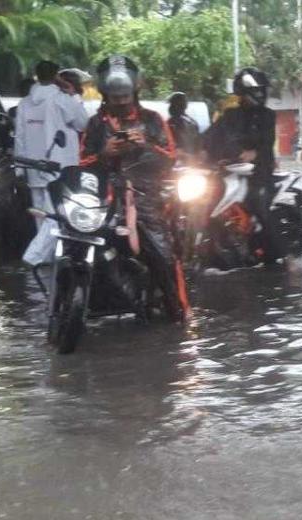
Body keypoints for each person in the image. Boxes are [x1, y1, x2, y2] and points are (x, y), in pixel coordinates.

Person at [79, 54, 187, 321]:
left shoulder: (153, 120)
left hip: (144, 198)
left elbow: (169, 159)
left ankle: (179, 313)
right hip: (103, 199)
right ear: (105, 94)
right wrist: (104, 153)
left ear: (135, 91)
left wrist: (144, 146)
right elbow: (82, 163)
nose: (120, 102)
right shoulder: (95, 124)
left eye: (125, 97)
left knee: (164, 256)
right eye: (115, 98)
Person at [202, 67, 295, 265]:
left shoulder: (267, 116)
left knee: (258, 205)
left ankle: (289, 259)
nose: (259, 95)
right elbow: (210, 137)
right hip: (229, 170)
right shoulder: (230, 115)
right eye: (255, 91)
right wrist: (190, 151)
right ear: (242, 93)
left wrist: (254, 154)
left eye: (261, 91)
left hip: (259, 171)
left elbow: (266, 141)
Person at [14, 60, 89, 219]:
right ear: (56, 76)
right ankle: (42, 245)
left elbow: (19, 138)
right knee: (58, 218)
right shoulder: (61, 99)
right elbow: (82, 124)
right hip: (60, 168)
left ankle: (39, 243)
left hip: (32, 166)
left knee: (40, 216)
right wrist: (73, 94)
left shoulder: (24, 103)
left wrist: (20, 169)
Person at [166, 91, 200, 160]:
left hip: (180, 158)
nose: (170, 107)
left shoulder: (172, 122)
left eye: (172, 104)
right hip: (190, 159)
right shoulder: (192, 121)